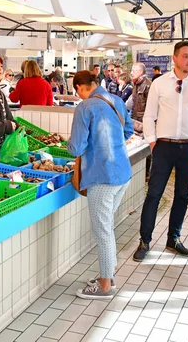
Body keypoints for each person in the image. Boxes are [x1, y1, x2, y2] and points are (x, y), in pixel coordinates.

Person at [134, 41, 188, 261]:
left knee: (182, 195)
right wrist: (152, 142)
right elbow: (149, 115)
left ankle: (174, 238)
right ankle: (145, 240)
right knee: (154, 194)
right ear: (175, 58)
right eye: (186, 56)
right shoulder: (160, 83)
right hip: (164, 146)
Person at [67, 70, 134, 299]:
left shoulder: (84, 107)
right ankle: (109, 275)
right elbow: (129, 130)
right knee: (107, 227)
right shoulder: (115, 100)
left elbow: (75, 148)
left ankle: (105, 285)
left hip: (101, 176)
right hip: (122, 173)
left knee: (103, 231)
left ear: (79, 87)